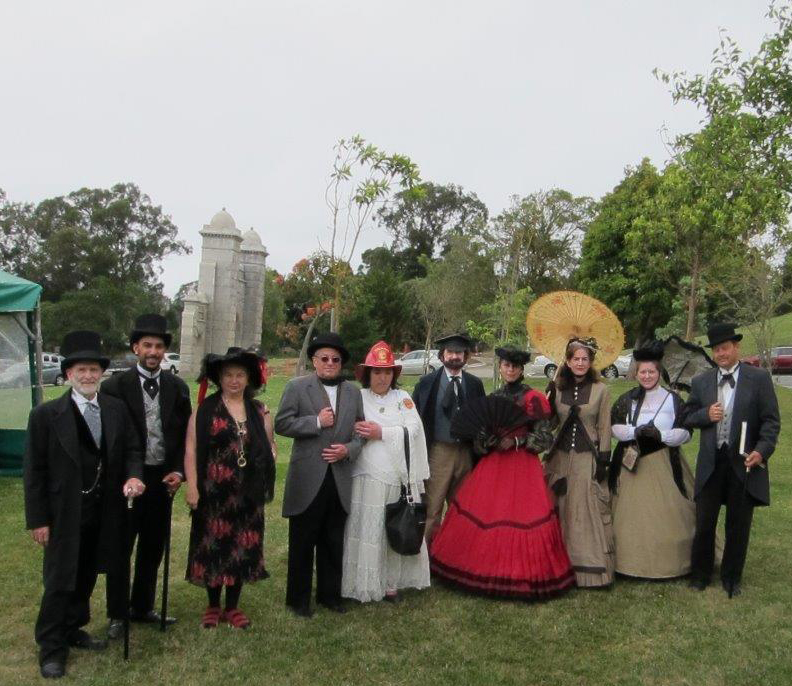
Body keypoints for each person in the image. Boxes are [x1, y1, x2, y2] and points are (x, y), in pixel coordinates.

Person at [23, 330, 144, 679]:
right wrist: (38, 520)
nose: (88, 376)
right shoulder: (46, 416)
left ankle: (74, 627)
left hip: (104, 510)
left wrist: (135, 476)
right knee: (60, 579)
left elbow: (133, 450)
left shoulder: (115, 409)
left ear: (101, 373)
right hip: (64, 514)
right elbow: (35, 472)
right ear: (68, 374)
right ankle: (51, 645)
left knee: (88, 573)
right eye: (81, 370)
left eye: (94, 370)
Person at [430, 346, 575, 598]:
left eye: (515, 366)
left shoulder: (534, 399)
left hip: (522, 468)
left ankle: (520, 573)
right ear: (500, 368)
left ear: (522, 369)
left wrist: (518, 442)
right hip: (493, 465)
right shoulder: (494, 397)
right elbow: (481, 438)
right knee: (487, 514)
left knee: (521, 516)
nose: (510, 370)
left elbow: (544, 439)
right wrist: (485, 442)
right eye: (506, 365)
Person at [103, 314, 192, 638]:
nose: (153, 351)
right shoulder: (114, 387)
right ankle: (117, 613)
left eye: (159, 346)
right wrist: (125, 475)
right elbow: (109, 439)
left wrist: (179, 471)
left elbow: (185, 435)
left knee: (153, 545)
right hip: (126, 480)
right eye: (147, 346)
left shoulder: (177, 387)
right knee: (121, 546)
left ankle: (142, 606)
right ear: (135, 348)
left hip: (161, 479)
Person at [683, 323, 780, 596]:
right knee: (704, 523)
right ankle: (700, 575)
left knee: (738, 524)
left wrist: (761, 450)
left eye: (725, 348)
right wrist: (705, 415)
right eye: (716, 349)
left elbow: (771, 422)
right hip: (711, 463)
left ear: (736, 347)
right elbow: (688, 417)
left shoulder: (758, 378)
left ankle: (731, 578)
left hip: (743, 463)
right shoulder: (701, 381)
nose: (720, 353)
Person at [184, 347, 276, 628]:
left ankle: (233, 607)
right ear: (219, 379)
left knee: (242, 544)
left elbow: (269, 446)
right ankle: (213, 605)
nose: (234, 380)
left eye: (239, 375)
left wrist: (268, 454)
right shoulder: (205, 410)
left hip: (247, 492)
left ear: (248, 379)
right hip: (213, 491)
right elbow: (190, 450)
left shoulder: (260, 411)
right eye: (228, 376)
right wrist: (193, 487)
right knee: (213, 545)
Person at [275, 332, 365, 618]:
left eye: (335, 360)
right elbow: (282, 424)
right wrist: (316, 421)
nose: (329, 363)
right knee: (303, 540)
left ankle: (330, 595)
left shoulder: (353, 392)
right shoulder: (297, 387)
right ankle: (298, 600)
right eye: (324, 358)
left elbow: (360, 431)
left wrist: (348, 450)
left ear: (341, 363)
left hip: (339, 476)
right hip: (308, 476)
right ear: (314, 361)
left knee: (333, 539)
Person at [341, 341, 431, 603]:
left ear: (394, 374)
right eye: (377, 372)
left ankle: (391, 582)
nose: (382, 377)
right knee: (368, 529)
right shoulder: (358, 397)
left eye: (387, 372)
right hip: (366, 474)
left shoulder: (402, 399)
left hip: (395, 475)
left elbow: (414, 429)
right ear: (368, 373)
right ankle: (363, 581)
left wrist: (383, 432)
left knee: (393, 524)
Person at [610, 342, 696, 579]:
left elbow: (687, 433)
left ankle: (668, 564)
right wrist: (634, 432)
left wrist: (663, 435)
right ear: (636, 373)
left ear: (659, 373)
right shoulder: (628, 399)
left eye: (652, 372)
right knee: (631, 517)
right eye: (642, 372)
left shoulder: (673, 400)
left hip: (664, 462)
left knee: (666, 514)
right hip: (632, 464)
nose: (647, 376)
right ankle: (629, 563)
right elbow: (614, 426)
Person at [545, 337, 614, 588]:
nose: (581, 363)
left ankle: (587, 569)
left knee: (584, 509)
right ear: (568, 360)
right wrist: (548, 403)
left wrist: (604, 459)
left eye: (585, 359)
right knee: (559, 506)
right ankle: (556, 564)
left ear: (591, 362)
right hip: (560, 458)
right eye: (576, 358)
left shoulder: (601, 390)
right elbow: (550, 425)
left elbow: (605, 427)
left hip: (587, 458)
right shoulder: (558, 387)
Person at [412, 333, 486, 544]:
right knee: (432, 509)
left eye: (459, 353)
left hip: (466, 453)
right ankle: (426, 560)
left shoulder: (474, 385)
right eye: (451, 352)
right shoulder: (427, 384)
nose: (455, 357)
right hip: (438, 453)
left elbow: (481, 418)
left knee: (462, 509)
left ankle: (455, 559)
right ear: (442, 355)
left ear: (466, 356)